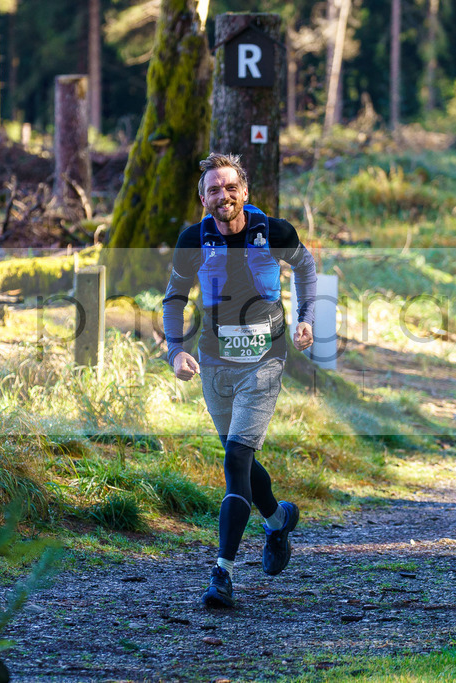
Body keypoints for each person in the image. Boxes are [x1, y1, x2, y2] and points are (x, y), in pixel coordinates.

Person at [163, 153, 317, 609]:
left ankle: (222, 574)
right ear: (203, 197)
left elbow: (306, 269)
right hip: (214, 362)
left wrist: (306, 319)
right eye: (214, 189)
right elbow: (174, 298)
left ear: (244, 192)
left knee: (235, 458)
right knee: (242, 460)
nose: (223, 196)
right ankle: (276, 518)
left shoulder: (275, 231)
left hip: (265, 359)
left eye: (230, 187)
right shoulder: (193, 239)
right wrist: (175, 350)